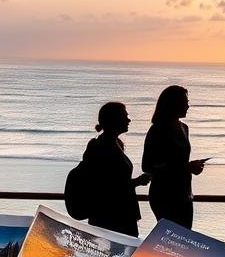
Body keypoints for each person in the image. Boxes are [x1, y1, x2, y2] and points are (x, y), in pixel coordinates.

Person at [77, 102, 150, 236]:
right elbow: (108, 187)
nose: (129, 120)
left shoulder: (115, 143)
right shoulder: (102, 147)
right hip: (111, 216)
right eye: (125, 116)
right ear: (114, 120)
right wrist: (137, 182)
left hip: (119, 214)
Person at [142, 85, 206, 229]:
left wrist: (191, 168)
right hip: (164, 194)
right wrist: (187, 167)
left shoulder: (184, 128)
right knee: (171, 240)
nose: (188, 105)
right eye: (184, 102)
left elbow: (178, 162)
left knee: (184, 238)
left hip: (184, 193)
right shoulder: (157, 130)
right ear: (173, 104)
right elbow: (147, 166)